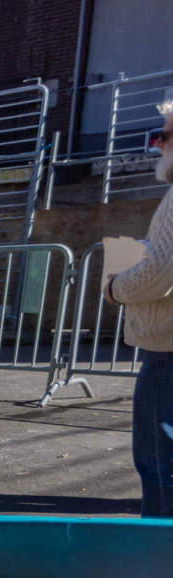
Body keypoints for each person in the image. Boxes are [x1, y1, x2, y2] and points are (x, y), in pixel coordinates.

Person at [110, 99, 173, 517]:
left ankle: (156, 555)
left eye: (164, 135)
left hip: (168, 352)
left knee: (158, 462)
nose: (157, 144)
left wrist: (115, 285)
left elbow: (161, 273)